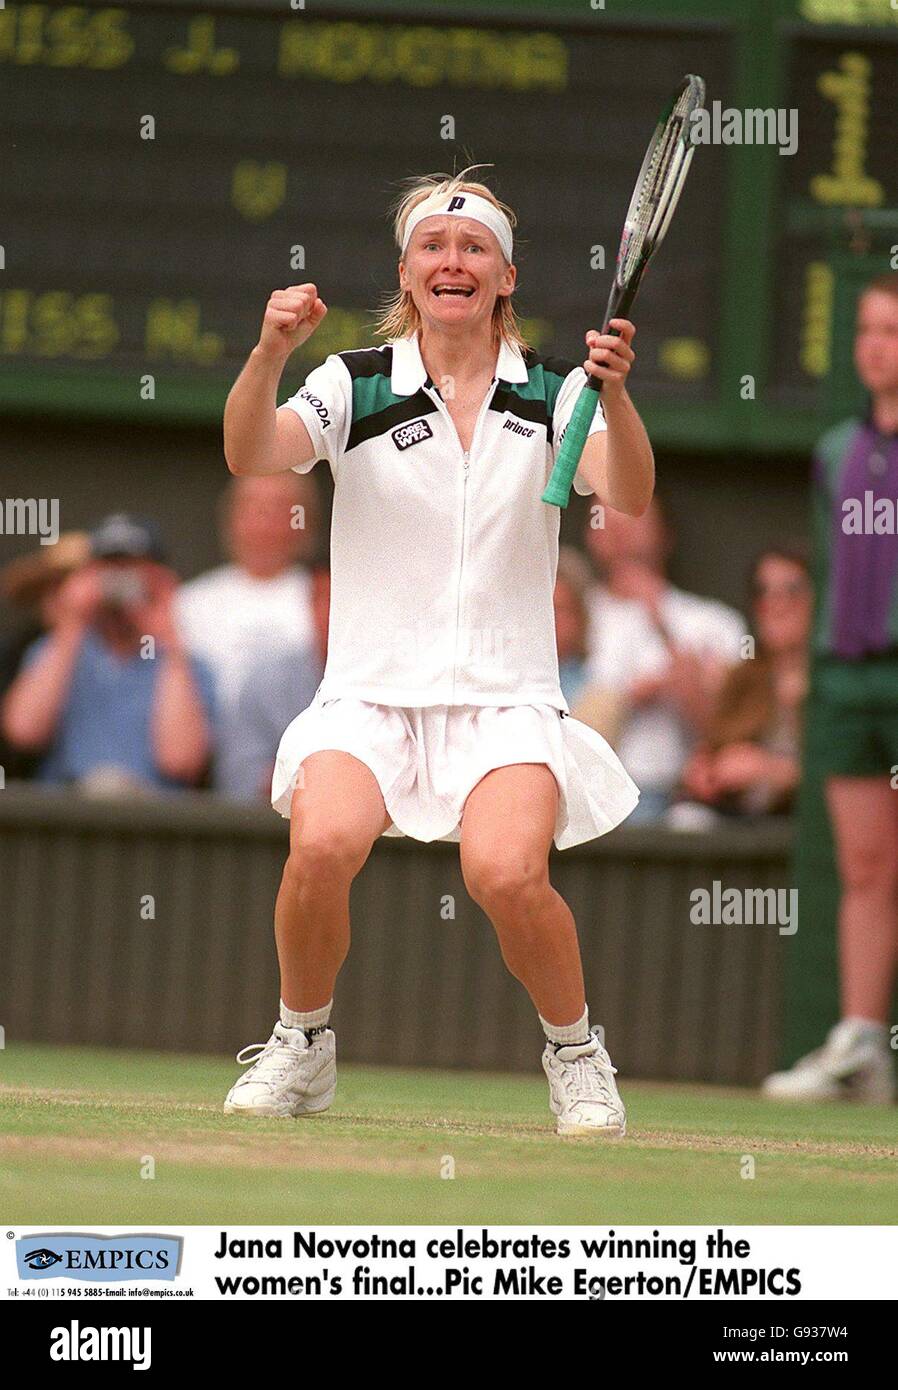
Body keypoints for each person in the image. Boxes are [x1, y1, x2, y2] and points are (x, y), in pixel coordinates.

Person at [220, 167, 654, 1137]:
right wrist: (266, 354)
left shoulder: (559, 390)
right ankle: (301, 1041)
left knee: (504, 875)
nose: (450, 261)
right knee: (320, 844)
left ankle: (576, 1053)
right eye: (432, 246)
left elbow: (625, 495)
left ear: (505, 276)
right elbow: (253, 453)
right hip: (367, 695)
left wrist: (613, 398)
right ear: (407, 271)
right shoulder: (352, 382)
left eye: (472, 250)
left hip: (508, 699)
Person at [764, 274, 898, 1104]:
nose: (877, 344)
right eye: (869, 330)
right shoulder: (834, 451)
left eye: (893, 330)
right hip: (848, 683)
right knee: (863, 864)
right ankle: (859, 1043)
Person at [1, 514, 215, 794]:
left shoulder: (188, 665)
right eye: (108, 568)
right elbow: (23, 732)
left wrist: (168, 632)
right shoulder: (55, 651)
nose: (118, 582)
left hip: (152, 821)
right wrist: (73, 621)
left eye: (131, 569)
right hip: (70, 817)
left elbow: (180, 761)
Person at [583, 499, 745, 822]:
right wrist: (627, 696)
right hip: (587, 801)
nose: (617, 526)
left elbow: (726, 728)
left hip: (681, 801)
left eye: (631, 513)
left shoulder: (715, 622)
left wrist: (659, 617)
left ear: (665, 533)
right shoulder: (567, 615)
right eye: (602, 515)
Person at [679, 546, 811, 818]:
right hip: (738, 824)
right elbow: (711, 746)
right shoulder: (743, 676)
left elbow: (855, 771)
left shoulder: (836, 683)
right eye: (763, 592)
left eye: (792, 590)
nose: (775, 604)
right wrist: (705, 770)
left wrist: (770, 770)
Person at [175, 470, 319, 714]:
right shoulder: (190, 601)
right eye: (252, 508)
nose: (263, 524)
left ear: (304, 521)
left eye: (278, 509)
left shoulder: (325, 600)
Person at [216, 561, 329, 800]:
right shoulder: (266, 680)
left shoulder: (403, 681)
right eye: (324, 598)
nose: (332, 613)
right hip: (278, 827)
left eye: (345, 601)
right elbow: (239, 778)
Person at [0, 532, 91, 782]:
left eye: (69, 584)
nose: (60, 597)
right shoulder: (19, 650)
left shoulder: (140, 650)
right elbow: (22, 735)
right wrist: (69, 631)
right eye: (51, 586)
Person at [554, 545, 625, 747]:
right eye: (543, 609)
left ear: (581, 619)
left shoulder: (602, 699)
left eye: (559, 610)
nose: (550, 621)